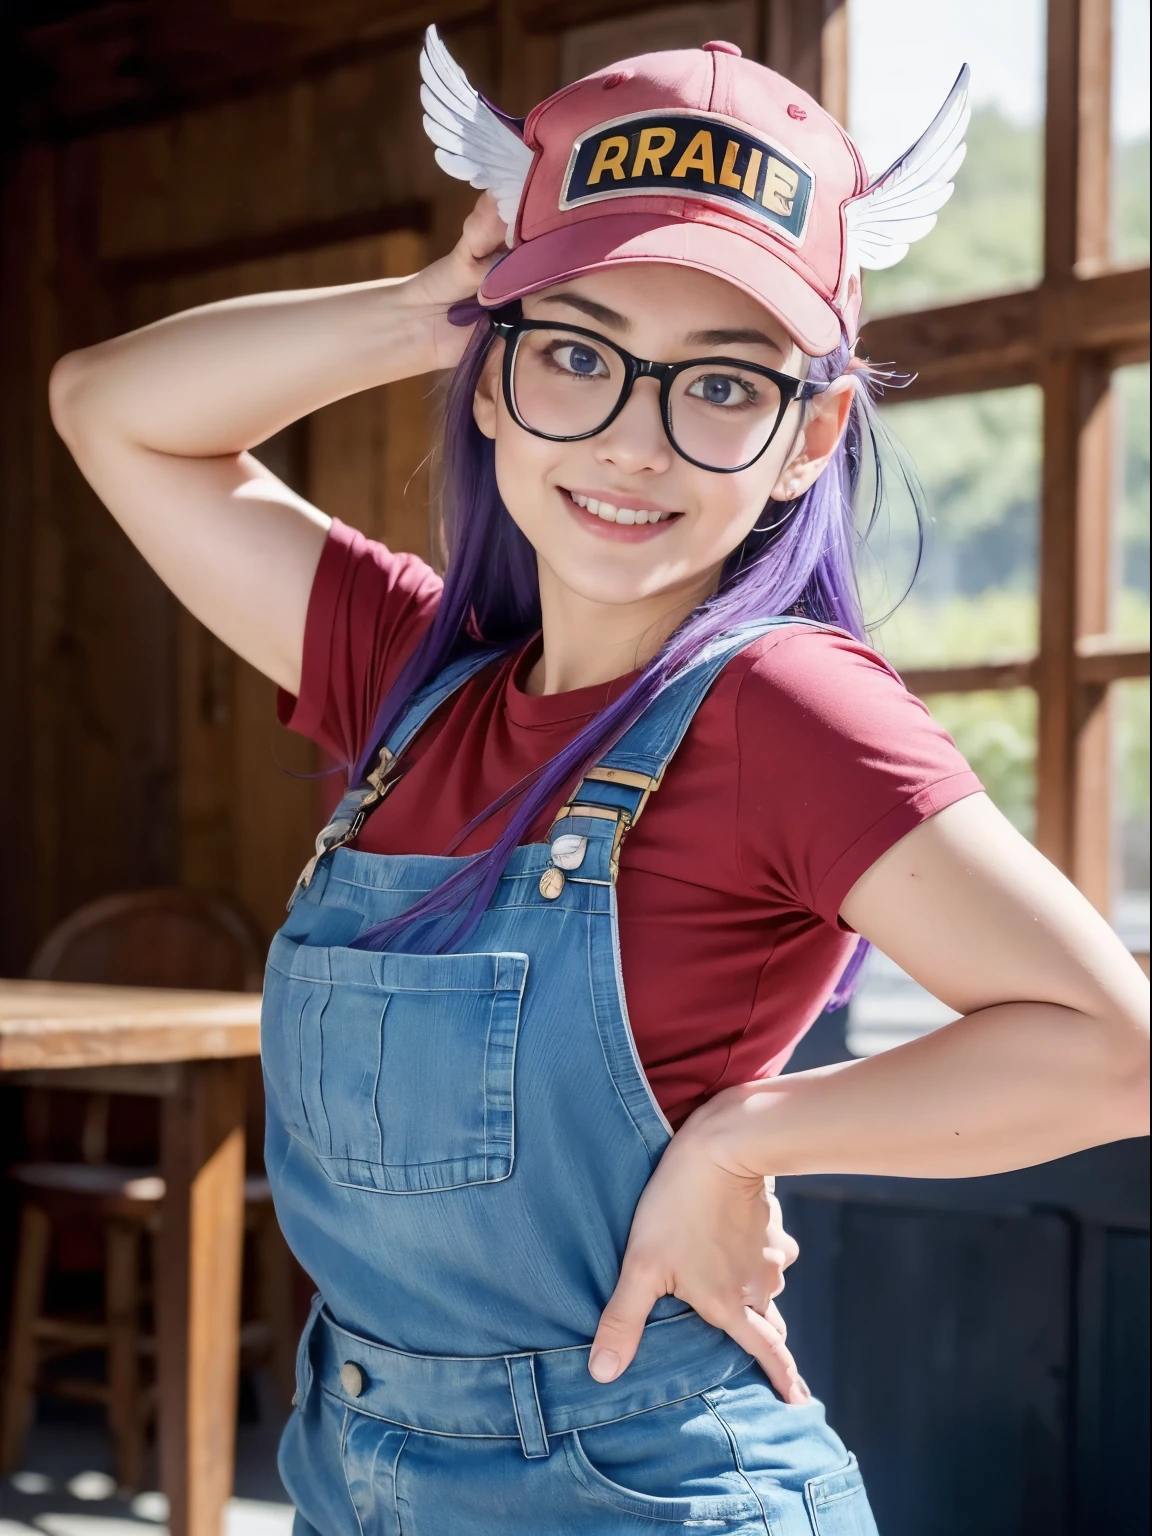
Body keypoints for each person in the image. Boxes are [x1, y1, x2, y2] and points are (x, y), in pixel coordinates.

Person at [49, 29, 1147, 1536]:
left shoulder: (786, 705)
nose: (633, 443)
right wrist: (422, 306)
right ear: (489, 380)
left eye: (718, 385)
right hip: (348, 1462)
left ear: (805, 436)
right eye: (575, 353)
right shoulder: (407, 676)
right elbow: (111, 407)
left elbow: (1111, 1046)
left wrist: (751, 1134)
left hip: (634, 1487)